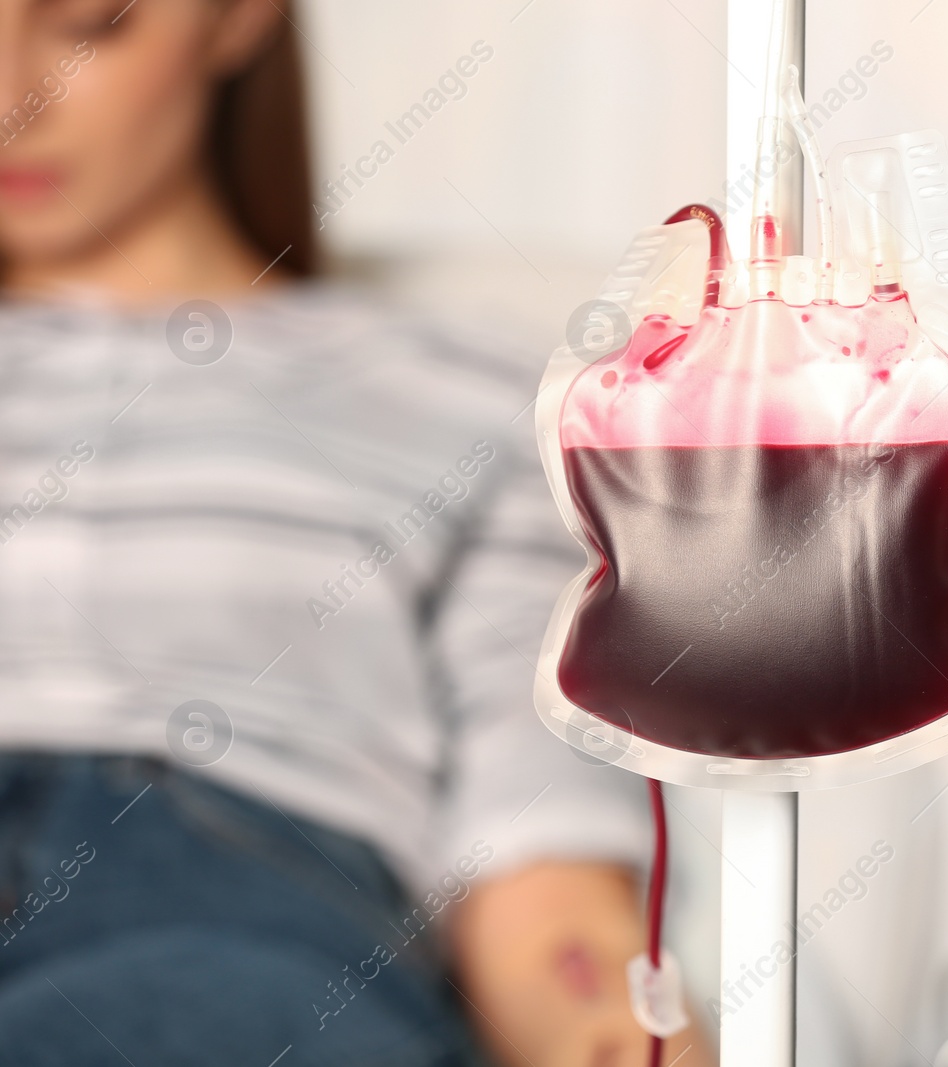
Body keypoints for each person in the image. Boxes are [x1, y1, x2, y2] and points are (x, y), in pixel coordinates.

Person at [0, 1, 701, 1064]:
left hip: (218, 917)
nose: (14, 99)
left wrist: (600, 1025)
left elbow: (541, 866)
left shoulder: (474, 398)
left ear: (235, 19)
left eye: (91, 21)